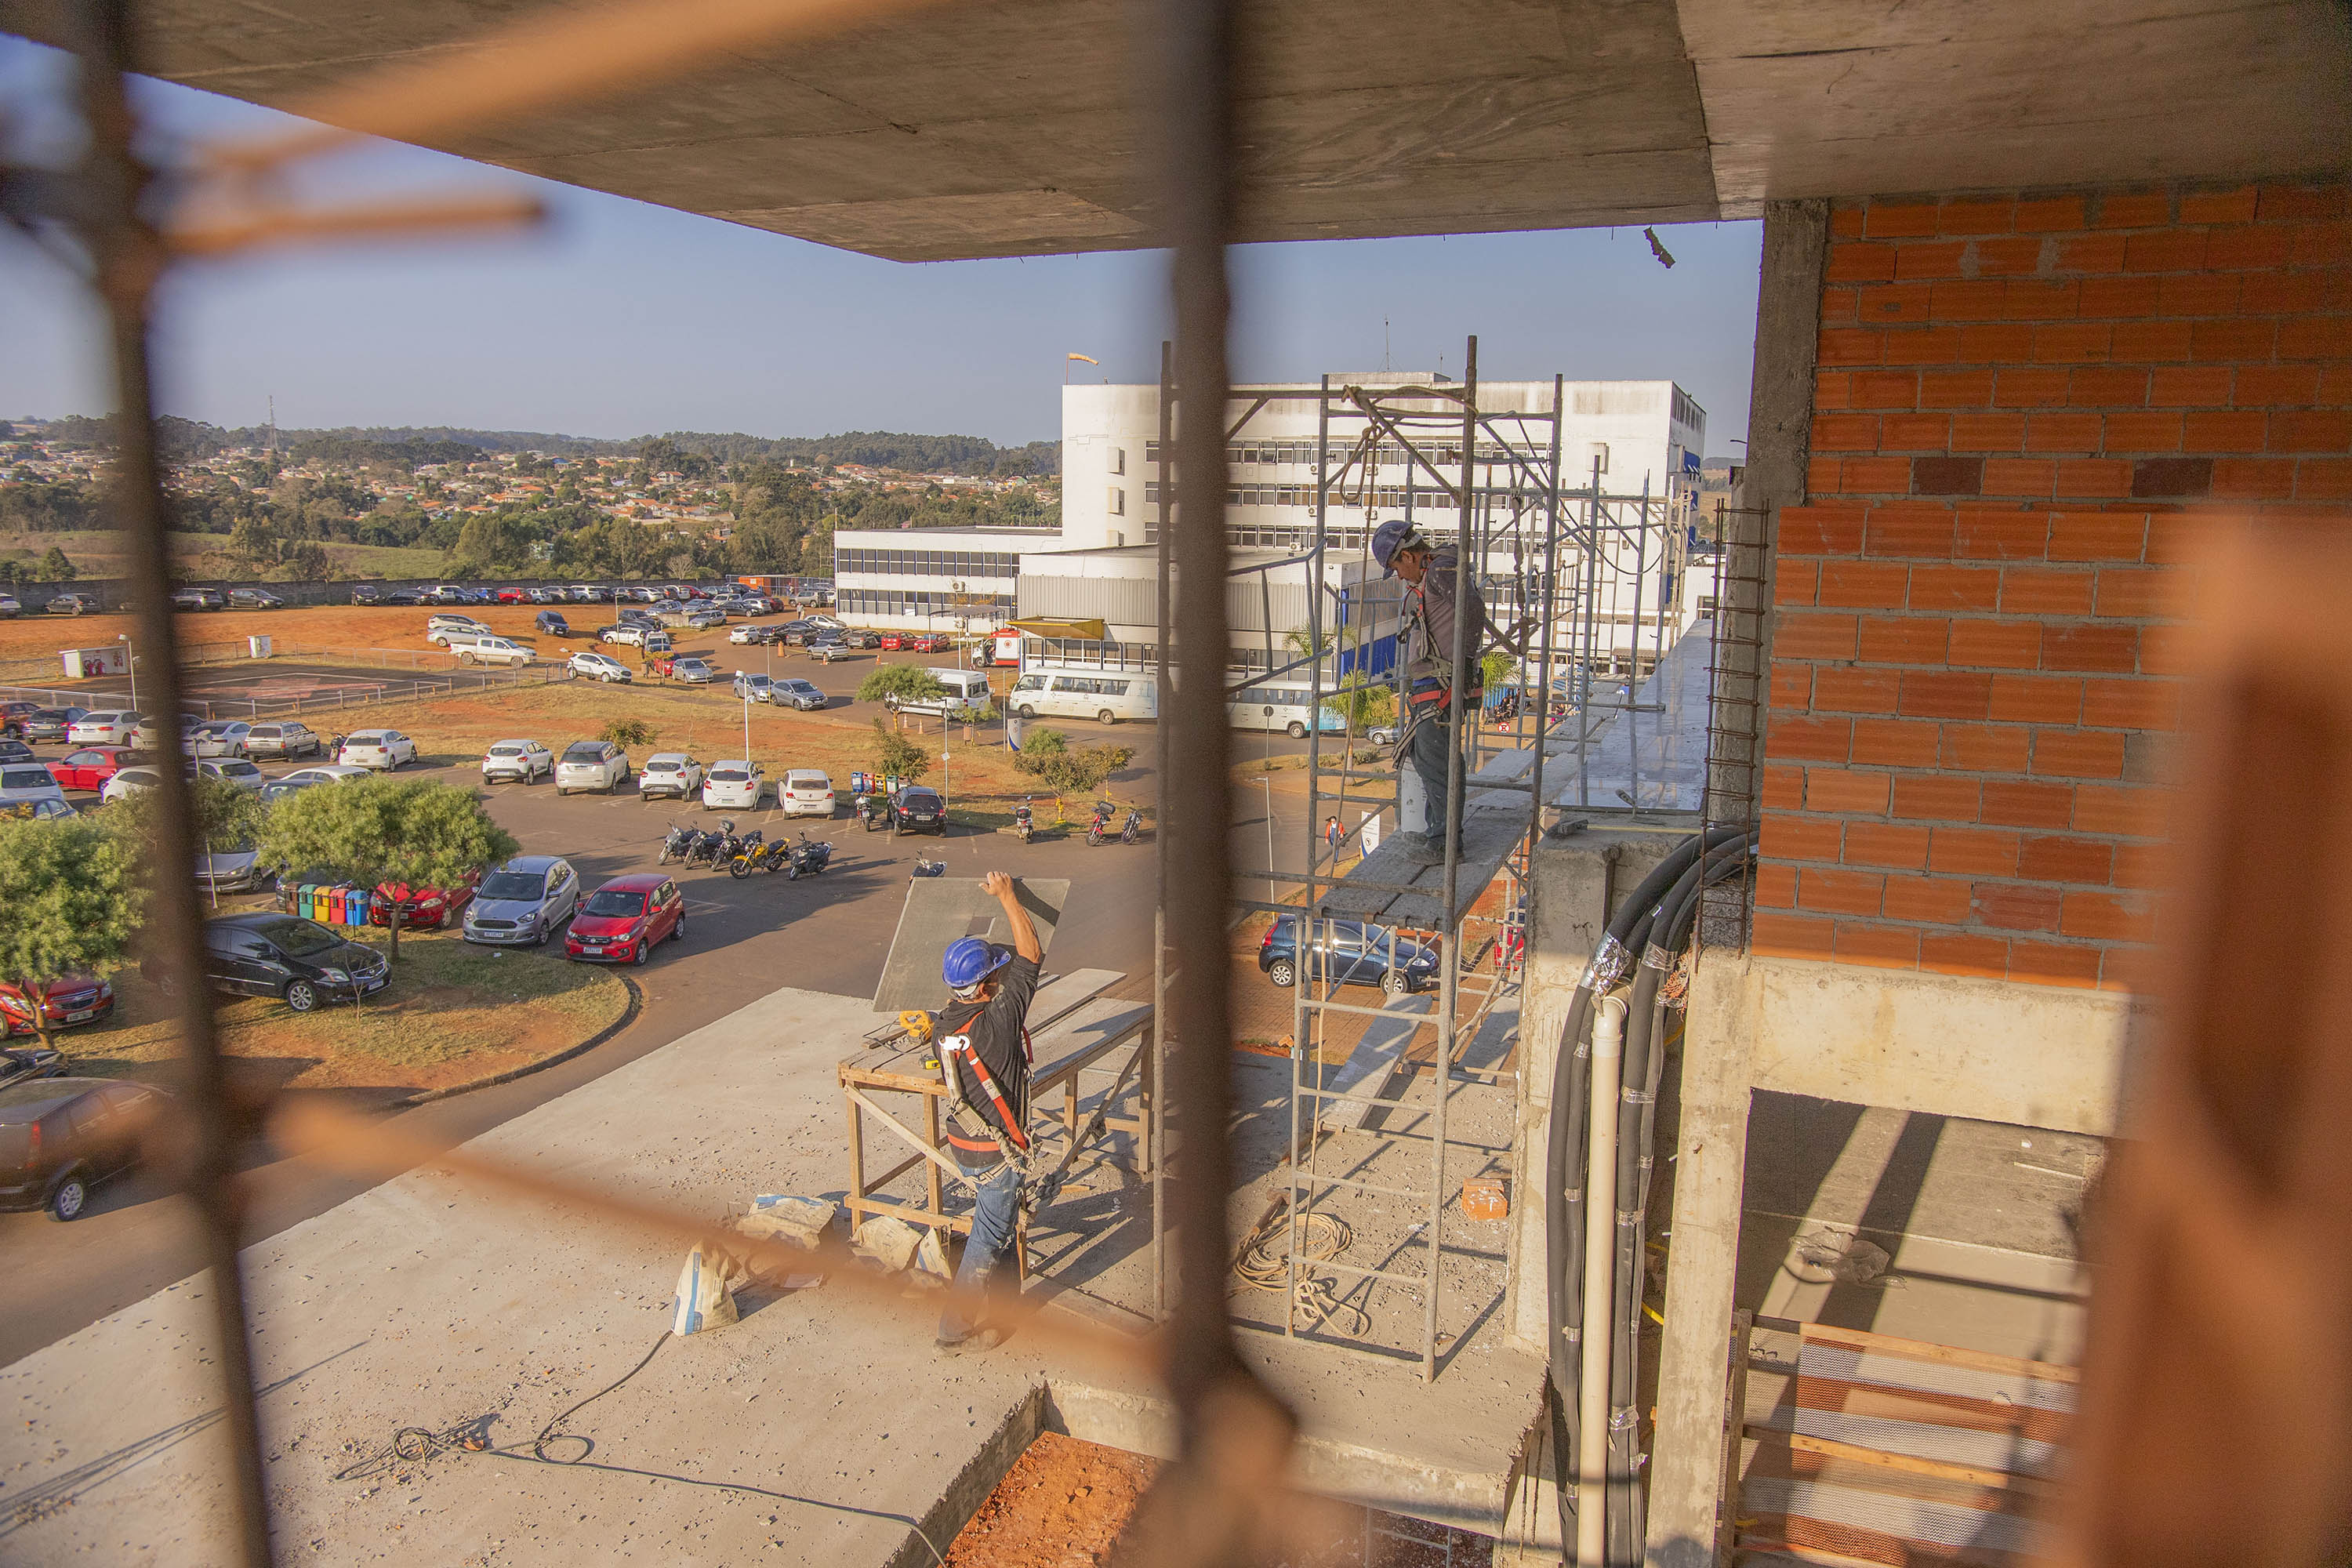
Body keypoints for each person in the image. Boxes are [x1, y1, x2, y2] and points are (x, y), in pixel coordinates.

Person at [931, 870, 1045, 1353]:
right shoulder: (997, 1022)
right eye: (994, 975)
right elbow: (1031, 957)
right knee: (988, 1236)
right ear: (982, 987)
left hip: (964, 1145)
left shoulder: (943, 1025)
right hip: (996, 1154)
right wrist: (1009, 898)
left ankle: (1004, 1311)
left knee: (997, 1227)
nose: (1001, 977)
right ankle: (953, 1327)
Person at [1370, 517, 1489, 864]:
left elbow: (1473, 613)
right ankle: (1441, 833)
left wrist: (1460, 668)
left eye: (1396, 567)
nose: (1400, 576)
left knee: (1439, 765)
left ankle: (1445, 843)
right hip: (1435, 685)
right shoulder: (1436, 573)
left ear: (1406, 556)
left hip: (1441, 687)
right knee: (1427, 758)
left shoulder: (1439, 572)